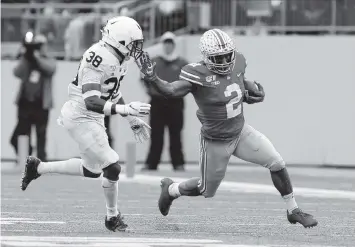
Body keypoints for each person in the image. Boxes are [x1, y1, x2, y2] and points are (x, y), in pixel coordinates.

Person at [137, 28, 318, 228]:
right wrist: (153, 78)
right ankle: (171, 189)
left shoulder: (238, 61)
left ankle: (293, 210)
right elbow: (171, 90)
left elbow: (239, 82)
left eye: (226, 57)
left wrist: (254, 93)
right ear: (206, 57)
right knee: (206, 189)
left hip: (240, 132)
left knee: (276, 162)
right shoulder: (197, 74)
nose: (224, 62)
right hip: (215, 140)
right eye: (218, 58)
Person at [21, 17, 152, 232]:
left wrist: (131, 118)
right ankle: (112, 217)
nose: (137, 48)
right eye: (134, 43)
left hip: (94, 116)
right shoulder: (99, 56)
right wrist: (126, 110)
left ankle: (38, 167)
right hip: (80, 114)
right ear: (120, 40)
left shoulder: (120, 59)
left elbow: (113, 93)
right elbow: (91, 101)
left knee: (92, 170)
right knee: (112, 166)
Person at [142, 32, 188, 171]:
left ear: (173, 45)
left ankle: (178, 163)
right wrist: (153, 91)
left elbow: (188, 82)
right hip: (158, 101)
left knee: (176, 134)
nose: (168, 46)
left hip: (175, 102)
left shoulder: (182, 63)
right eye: (166, 43)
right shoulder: (154, 61)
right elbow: (145, 79)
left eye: (170, 43)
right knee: (156, 134)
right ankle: (152, 163)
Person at [11, 32, 56, 162]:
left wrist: (37, 58)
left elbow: (51, 69)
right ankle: (26, 157)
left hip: (41, 103)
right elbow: (16, 72)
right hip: (25, 103)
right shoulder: (27, 59)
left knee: (41, 134)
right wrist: (26, 56)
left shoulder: (47, 59)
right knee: (23, 133)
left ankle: (42, 160)